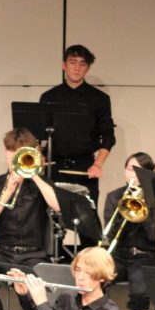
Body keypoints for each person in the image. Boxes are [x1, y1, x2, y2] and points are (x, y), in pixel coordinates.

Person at [0, 128, 60, 310]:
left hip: (34, 256)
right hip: (2, 254)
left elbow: (57, 206)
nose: (15, 156)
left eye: (21, 152)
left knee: (32, 294)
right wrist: (8, 191)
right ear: (6, 152)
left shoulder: (42, 183)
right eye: (11, 151)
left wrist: (35, 175)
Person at [39, 44, 115, 204]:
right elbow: (39, 134)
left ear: (87, 68)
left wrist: (97, 164)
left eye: (82, 63)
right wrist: (40, 155)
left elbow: (108, 135)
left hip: (85, 167)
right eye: (72, 62)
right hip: (54, 166)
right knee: (51, 221)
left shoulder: (99, 99)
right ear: (63, 65)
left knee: (87, 221)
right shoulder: (49, 97)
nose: (77, 68)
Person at [103, 152, 155, 310]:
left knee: (140, 294)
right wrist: (124, 209)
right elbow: (110, 234)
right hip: (120, 254)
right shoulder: (114, 196)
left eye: (137, 171)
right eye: (129, 169)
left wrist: (143, 209)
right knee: (97, 278)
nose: (132, 175)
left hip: (145, 256)